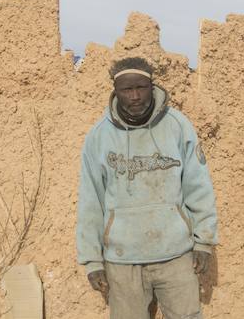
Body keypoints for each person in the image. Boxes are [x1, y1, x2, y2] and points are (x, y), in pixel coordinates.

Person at [76, 57, 218, 319]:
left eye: (141, 88)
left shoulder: (177, 126)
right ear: (115, 92)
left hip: (176, 255)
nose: (135, 96)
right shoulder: (98, 137)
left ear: (151, 87)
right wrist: (92, 260)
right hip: (122, 260)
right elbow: (90, 200)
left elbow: (198, 186)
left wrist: (204, 242)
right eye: (126, 90)